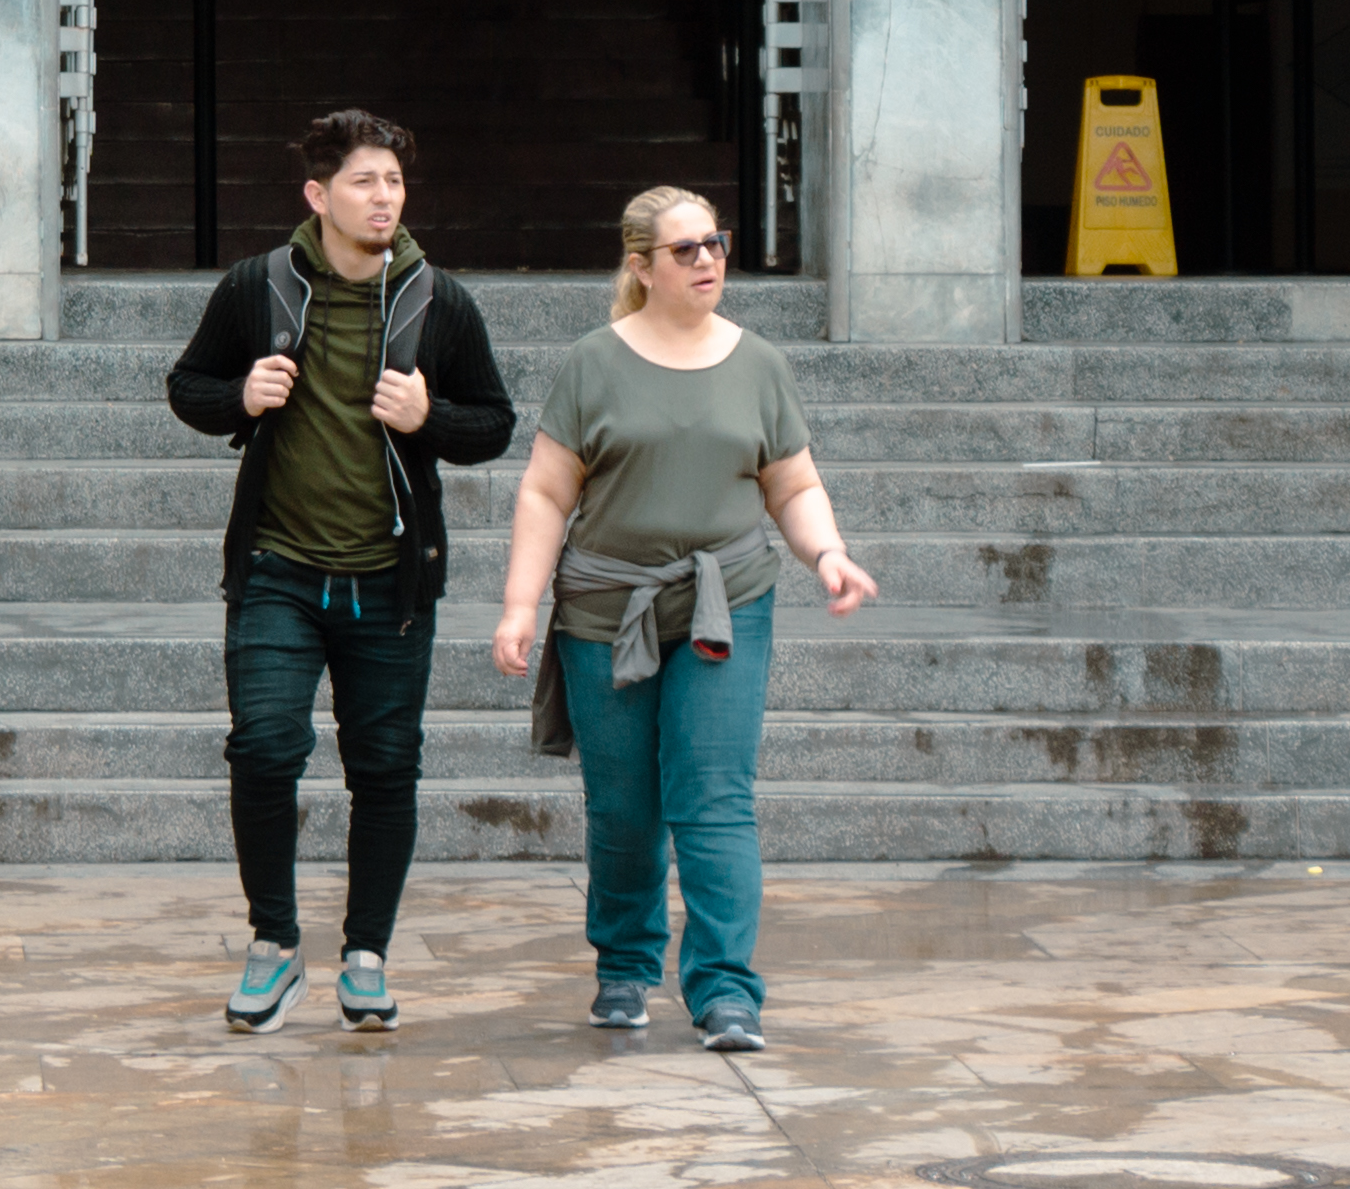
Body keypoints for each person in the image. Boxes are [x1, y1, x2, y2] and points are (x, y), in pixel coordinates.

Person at [492, 188, 878, 1056]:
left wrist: (827, 554)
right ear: (641, 266)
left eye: (716, 243)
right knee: (624, 806)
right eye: (686, 250)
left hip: (725, 601)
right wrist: (520, 606)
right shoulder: (594, 362)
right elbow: (548, 490)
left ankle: (726, 991)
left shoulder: (759, 364)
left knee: (714, 797)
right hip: (604, 606)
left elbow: (793, 484)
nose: (708, 260)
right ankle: (624, 967)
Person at [161, 110, 517, 1036]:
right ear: (319, 196)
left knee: (386, 769)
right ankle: (274, 946)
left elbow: (495, 424)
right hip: (279, 571)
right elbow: (187, 387)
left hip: (389, 585)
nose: (384, 198)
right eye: (365, 182)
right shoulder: (258, 287)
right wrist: (239, 395)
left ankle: (367, 954)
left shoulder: (438, 300)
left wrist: (429, 417)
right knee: (266, 747)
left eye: (394, 182)